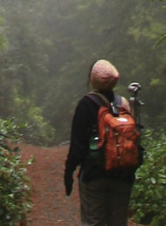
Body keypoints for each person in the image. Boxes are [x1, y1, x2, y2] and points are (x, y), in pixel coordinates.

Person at [64, 59, 138, 226]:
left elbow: (77, 147)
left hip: (94, 175)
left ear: (92, 79)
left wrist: (69, 174)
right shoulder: (123, 104)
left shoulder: (85, 105)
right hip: (122, 175)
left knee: (94, 222)